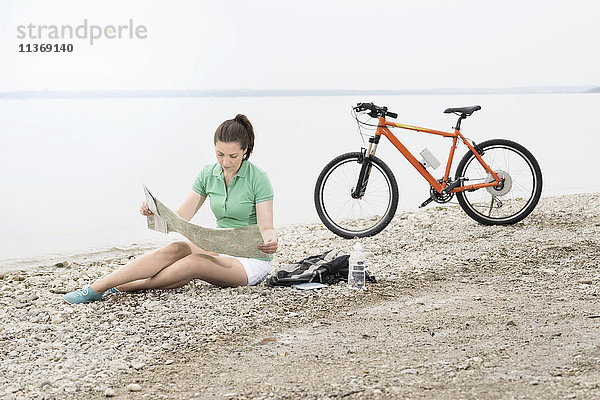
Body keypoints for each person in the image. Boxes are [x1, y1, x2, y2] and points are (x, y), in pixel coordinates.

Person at [63, 114, 278, 304]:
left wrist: (271, 240)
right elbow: (181, 217)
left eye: (233, 156)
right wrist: (154, 211)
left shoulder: (258, 179)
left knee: (194, 263)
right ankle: (95, 287)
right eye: (220, 154)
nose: (225, 161)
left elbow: (266, 228)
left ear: (245, 150)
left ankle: (122, 286)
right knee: (176, 248)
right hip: (221, 247)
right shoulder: (208, 174)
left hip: (251, 261)